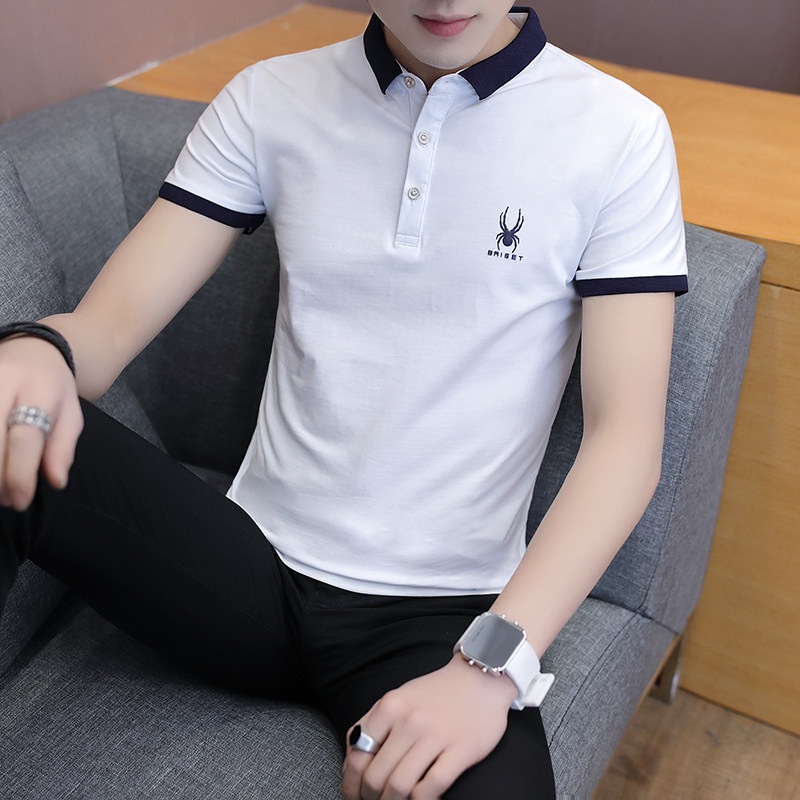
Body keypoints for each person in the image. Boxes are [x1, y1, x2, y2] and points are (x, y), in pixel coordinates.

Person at [0, 2, 688, 797]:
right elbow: (105, 329)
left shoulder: (618, 133)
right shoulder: (270, 98)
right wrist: (39, 348)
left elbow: (625, 440)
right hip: (243, 572)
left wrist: (491, 667)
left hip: (440, 619)